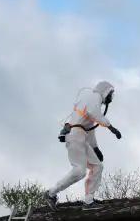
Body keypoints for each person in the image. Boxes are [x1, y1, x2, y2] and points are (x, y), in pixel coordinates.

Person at [44, 81, 122, 210]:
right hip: (74, 136)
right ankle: (51, 193)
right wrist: (111, 127)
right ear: (105, 91)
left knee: (97, 167)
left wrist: (96, 148)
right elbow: (94, 113)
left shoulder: (93, 103)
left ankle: (88, 201)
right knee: (80, 171)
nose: (111, 98)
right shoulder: (94, 97)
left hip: (82, 137)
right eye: (110, 94)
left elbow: (90, 129)